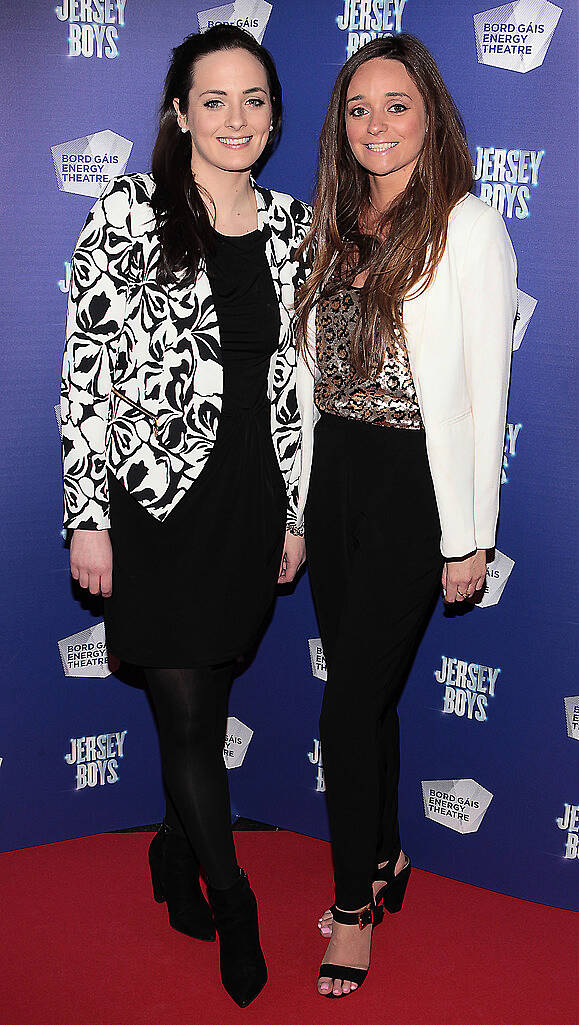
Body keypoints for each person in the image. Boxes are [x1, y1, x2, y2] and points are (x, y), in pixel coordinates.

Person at [61, 25, 309, 1008]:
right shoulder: (129, 212)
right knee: (187, 716)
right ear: (179, 112)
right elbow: (85, 377)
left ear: (274, 114)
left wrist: (292, 508)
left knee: (203, 707)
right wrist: (88, 514)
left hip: (250, 500)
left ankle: (170, 851)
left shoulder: (293, 224)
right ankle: (233, 897)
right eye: (215, 99)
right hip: (156, 507)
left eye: (254, 99)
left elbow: (296, 386)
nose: (236, 118)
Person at [294, 34, 517, 998]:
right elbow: (309, 383)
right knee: (363, 688)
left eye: (395, 105)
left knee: (343, 706)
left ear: (430, 116)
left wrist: (467, 536)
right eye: (357, 107)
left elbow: (483, 388)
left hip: (411, 486)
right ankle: (384, 855)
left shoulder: (465, 226)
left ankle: (350, 908)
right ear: (339, 126)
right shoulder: (334, 223)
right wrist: (299, 506)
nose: (374, 124)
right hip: (334, 472)